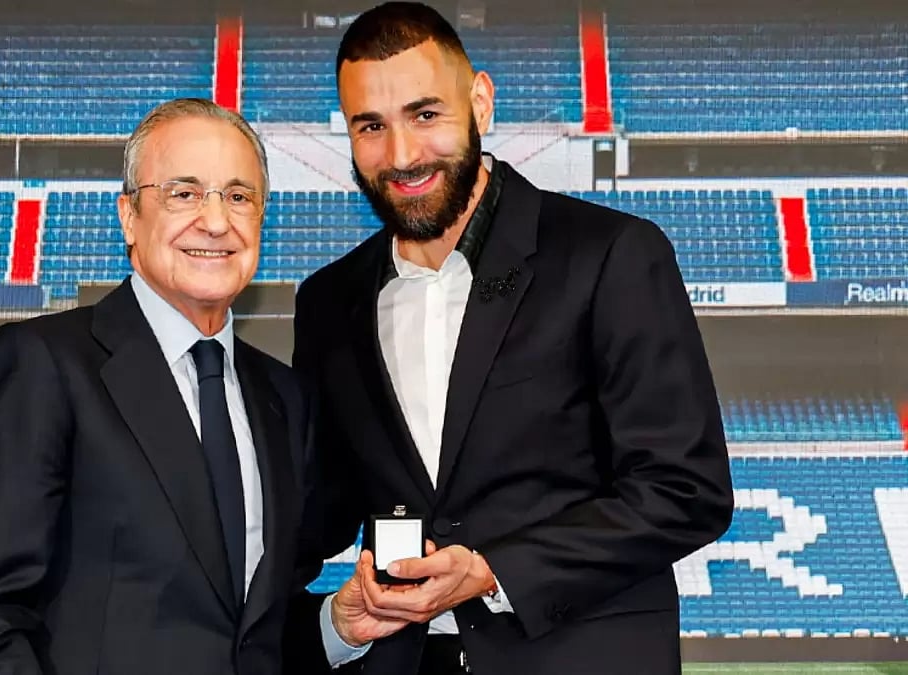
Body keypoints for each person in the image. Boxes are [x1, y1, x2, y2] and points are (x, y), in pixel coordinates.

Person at [285, 3, 735, 674]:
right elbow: (317, 513)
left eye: (425, 114)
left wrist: (494, 571)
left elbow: (685, 489)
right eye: (371, 126)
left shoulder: (611, 254)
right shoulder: (327, 301)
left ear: (481, 102)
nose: (402, 154)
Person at [0, 98, 314, 675]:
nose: (215, 221)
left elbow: (257, 628)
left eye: (238, 196)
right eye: (183, 193)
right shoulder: (40, 365)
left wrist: (339, 628)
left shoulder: (284, 399)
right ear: (129, 216)